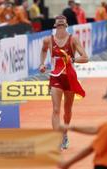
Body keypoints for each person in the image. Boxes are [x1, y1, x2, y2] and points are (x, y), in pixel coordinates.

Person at [39, 15, 88, 149]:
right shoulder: (48, 40)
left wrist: (72, 60)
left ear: (66, 25)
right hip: (56, 78)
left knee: (67, 110)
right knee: (55, 109)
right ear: (55, 25)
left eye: (62, 24)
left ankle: (64, 133)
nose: (60, 26)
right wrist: (42, 64)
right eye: (58, 24)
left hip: (69, 78)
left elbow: (85, 58)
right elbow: (43, 51)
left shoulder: (73, 39)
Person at [59, 82, 107, 169]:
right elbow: (95, 129)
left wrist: (67, 163)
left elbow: (90, 148)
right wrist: (71, 127)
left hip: (105, 166)